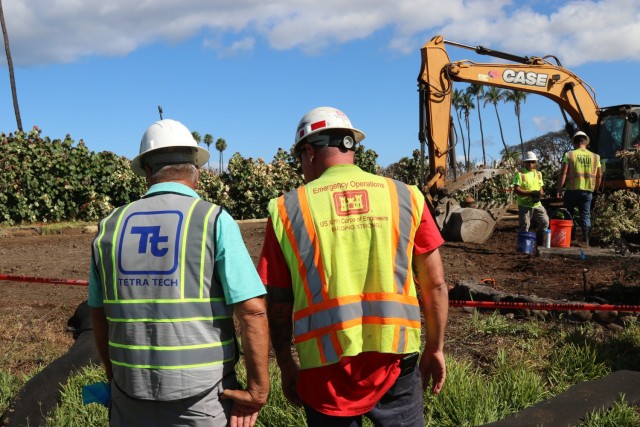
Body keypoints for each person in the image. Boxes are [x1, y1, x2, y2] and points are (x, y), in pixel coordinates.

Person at [257, 106, 448, 426]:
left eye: (300, 159)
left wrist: (285, 363)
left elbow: (277, 302)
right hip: (396, 357)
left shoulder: (286, 209)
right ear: (350, 147)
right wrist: (435, 348)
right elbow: (436, 284)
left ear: (309, 152)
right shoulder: (407, 197)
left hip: (324, 369)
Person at [88, 119, 269, 427]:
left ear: (147, 172)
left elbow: (98, 313)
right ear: (195, 172)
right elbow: (252, 312)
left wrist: (114, 377)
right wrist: (257, 390)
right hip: (203, 397)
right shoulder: (213, 220)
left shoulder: (110, 226)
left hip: (128, 393)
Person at [556, 130, 602, 246]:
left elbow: (563, 173)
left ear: (575, 143)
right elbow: (599, 175)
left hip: (571, 191)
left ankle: (570, 239)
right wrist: (596, 189)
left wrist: (559, 189)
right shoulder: (595, 157)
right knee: (585, 215)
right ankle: (586, 241)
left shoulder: (569, 155)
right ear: (586, 142)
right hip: (587, 191)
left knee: (568, 214)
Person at [512, 151, 549, 242]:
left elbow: (541, 188)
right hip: (524, 204)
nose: (530, 164)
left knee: (545, 222)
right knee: (524, 226)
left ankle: (539, 241)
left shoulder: (538, 174)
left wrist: (539, 194)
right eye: (528, 162)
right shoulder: (520, 174)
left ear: (535, 163)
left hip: (536, 204)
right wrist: (530, 193)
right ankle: (523, 246)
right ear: (524, 163)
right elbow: (516, 189)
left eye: (532, 162)